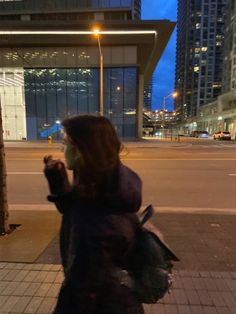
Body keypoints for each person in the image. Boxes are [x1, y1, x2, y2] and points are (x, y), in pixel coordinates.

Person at [43, 115, 144, 314]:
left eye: (65, 142)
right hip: (116, 298)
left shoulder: (97, 222)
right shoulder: (107, 184)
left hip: (106, 306)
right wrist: (59, 185)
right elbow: (76, 209)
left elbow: (80, 291)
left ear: (81, 151)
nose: (62, 149)